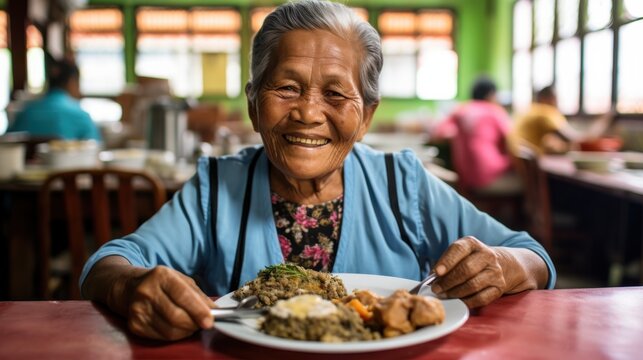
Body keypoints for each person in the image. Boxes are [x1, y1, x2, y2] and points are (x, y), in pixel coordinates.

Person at [81, 0, 555, 341]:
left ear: (366, 116)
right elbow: (109, 263)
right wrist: (128, 285)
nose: (308, 113)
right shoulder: (216, 186)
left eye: (335, 93)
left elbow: (532, 255)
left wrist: (505, 265)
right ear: (253, 105)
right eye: (286, 87)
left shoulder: (401, 183)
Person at [430, 76, 518, 193]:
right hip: (489, 175)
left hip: (465, 178)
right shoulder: (494, 111)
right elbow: (514, 138)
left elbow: (437, 133)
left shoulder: (461, 109)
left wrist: (460, 135)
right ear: (491, 94)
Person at [8, 57, 101, 141]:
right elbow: (94, 149)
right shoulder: (81, 116)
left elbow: (6, 143)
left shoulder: (25, 112)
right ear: (71, 81)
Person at [511, 86, 613, 154]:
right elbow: (577, 139)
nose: (557, 104)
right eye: (556, 99)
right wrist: (605, 120)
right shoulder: (545, 112)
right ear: (547, 99)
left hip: (520, 167)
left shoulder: (529, 110)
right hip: (531, 172)